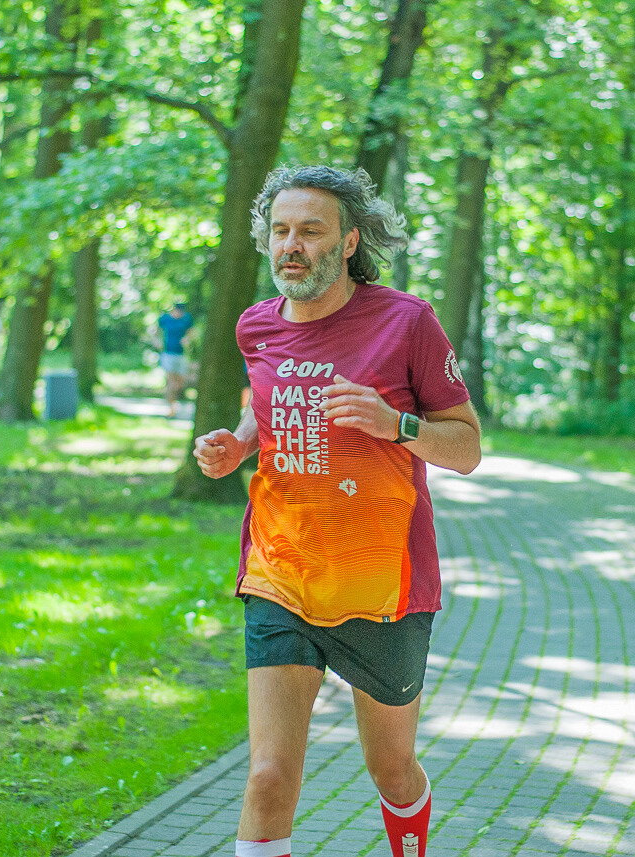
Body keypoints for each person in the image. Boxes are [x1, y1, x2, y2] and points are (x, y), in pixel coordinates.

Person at [193, 165, 482, 857]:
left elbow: (467, 446)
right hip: (280, 573)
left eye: (311, 231)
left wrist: (396, 425)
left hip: (382, 586)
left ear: (349, 241)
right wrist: (240, 442)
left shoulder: (406, 321)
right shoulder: (256, 325)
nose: (291, 245)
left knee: (391, 767)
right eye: (281, 231)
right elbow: (262, 404)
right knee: (266, 775)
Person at [158, 301, 195, 416]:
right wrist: (158, 342)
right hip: (168, 353)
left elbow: (191, 332)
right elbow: (156, 331)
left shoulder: (186, 319)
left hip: (181, 354)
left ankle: (173, 402)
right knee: (171, 380)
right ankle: (171, 409)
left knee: (180, 382)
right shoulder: (165, 319)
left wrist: (187, 339)